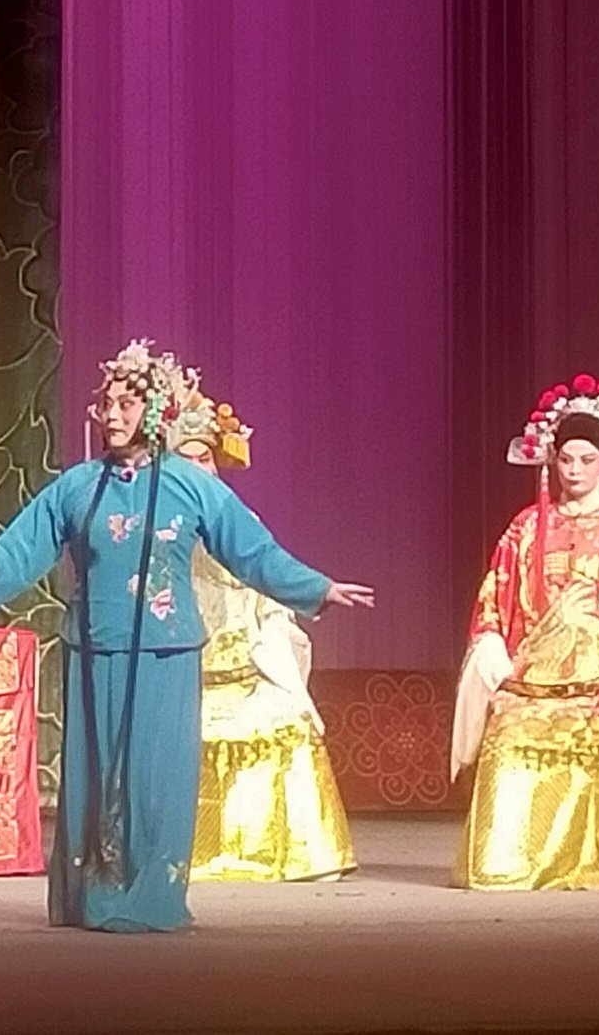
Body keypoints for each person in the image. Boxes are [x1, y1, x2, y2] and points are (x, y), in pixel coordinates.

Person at [0, 340, 373, 932]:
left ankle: (152, 899)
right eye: (107, 403)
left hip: (166, 651)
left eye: (127, 404)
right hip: (94, 649)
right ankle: (92, 900)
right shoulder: (77, 487)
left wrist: (316, 588)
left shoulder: (191, 485)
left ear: (153, 412)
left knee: (155, 780)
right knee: (96, 777)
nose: (112, 415)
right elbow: (19, 550)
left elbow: (250, 549)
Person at [451, 375, 599, 891]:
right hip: (536, 681)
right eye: (566, 459)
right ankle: (510, 863)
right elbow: (493, 600)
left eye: (587, 460)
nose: (576, 470)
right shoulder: (525, 529)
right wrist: (491, 645)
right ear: (552, 461)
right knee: (509, 729)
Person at [162, 377, 354, 884]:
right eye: (185, 459)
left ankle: (296, 853)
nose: (197, 469)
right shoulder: (157, 525)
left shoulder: (235, 516)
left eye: (205, 458)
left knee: (288, 722)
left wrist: (312, 594)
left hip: (246, 668)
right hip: (179, 675)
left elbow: (264, 570)